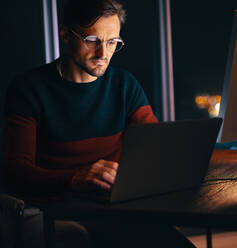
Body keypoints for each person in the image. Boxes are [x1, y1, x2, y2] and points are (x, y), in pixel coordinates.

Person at [4, 0, 195, 247]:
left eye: (112, 42)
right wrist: (74, 178)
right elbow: (16, 172)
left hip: (113, 206)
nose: (103, 54)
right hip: (56, 207)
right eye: (92, 40)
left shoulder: (125, 85)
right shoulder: (28, 90)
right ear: (65, 34)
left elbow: (155, 148)